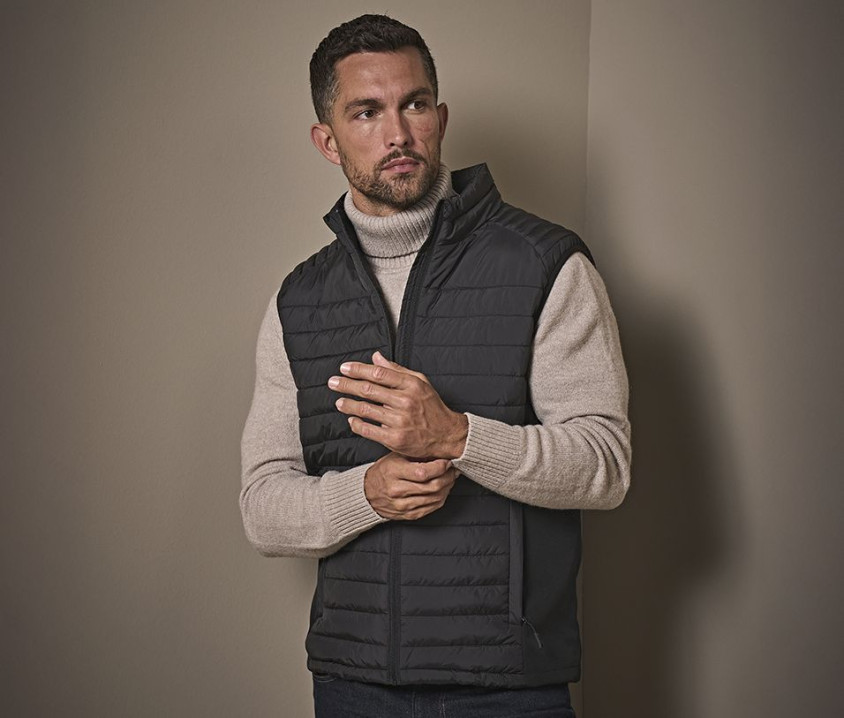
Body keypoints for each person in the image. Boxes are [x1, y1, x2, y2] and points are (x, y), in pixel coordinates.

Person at [240, 14, 630, 718]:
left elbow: (605, 465)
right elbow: (263, 510)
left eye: (414, 104)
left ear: (440, 118)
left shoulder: (547, 264)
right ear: (327, 141)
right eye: (367, 112)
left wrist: (457, 436)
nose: (397, 133)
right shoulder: (298, 300)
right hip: (353, 684)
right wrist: (366, 494)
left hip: (512, 686)